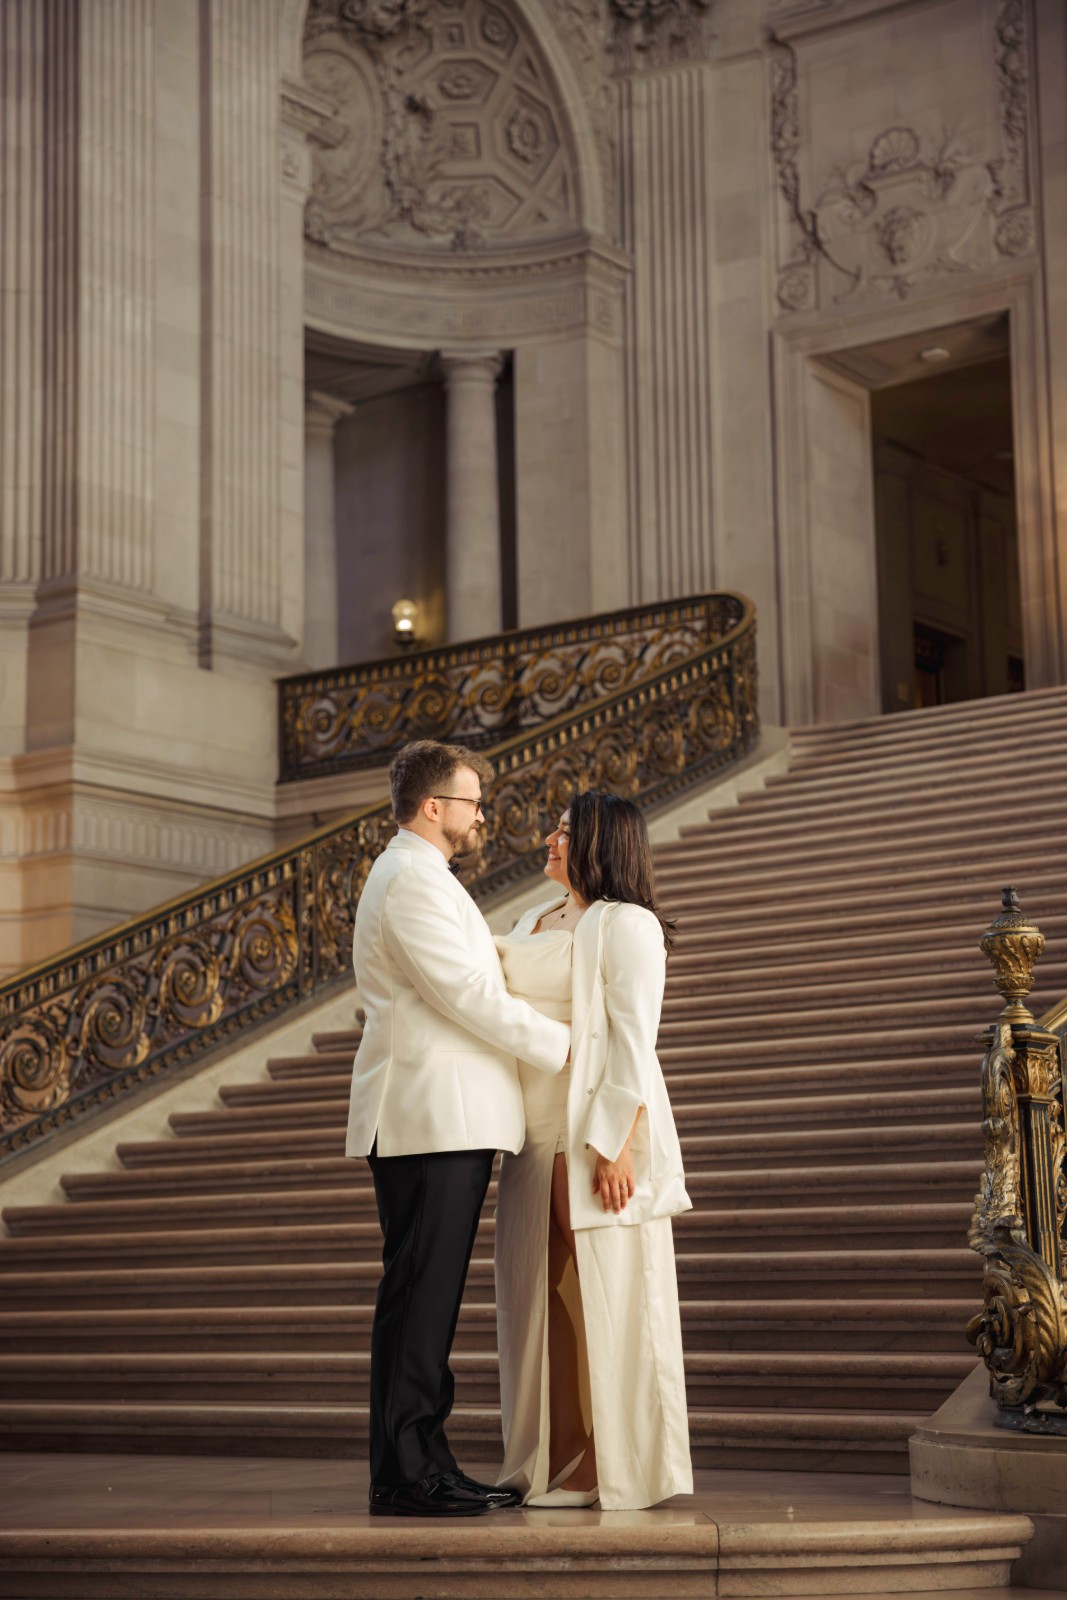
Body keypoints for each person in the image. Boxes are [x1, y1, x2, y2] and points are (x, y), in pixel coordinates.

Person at [346, 739, 571, 1518]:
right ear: (433, 806)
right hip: (429, 1115)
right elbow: (464, 995)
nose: (482, 817)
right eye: (473, 802)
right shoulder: (410, 878)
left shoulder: (420, 876)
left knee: (421, 1299)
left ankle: (413, 1462)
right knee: (420, 1299)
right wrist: (564, 1046)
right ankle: (411, 1471)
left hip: (439, 1114)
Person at [494, 789, 693, 1511]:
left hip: (591, 1129)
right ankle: (548, 1457)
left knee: (606, 1294)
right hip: (529, 1129)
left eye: (565, 830)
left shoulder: (626, 924)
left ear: (600, 843)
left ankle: (609, 1466)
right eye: (553, 826)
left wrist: (613, 1144)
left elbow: (634, 1038)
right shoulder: (533, 917)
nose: (549, 838)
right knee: (539, 1298)